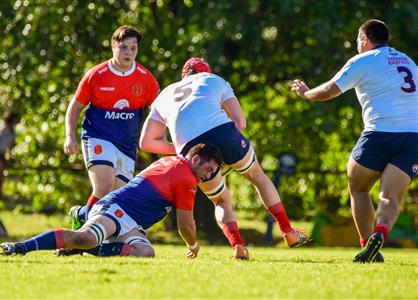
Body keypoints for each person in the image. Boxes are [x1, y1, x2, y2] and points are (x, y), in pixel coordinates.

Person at [139, 57, 310, 259]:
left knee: (221, 200)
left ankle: (238, 245)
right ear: (206, 72)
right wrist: (227, 148)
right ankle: (288, 231)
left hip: (189, 147)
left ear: (183, 76)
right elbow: (240, 122)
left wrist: (180, 148)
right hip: (222, 131)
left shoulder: (165, 94)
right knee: (258, 177)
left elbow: (146, 143)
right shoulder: (214, 80)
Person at [291, 19, 418, 263]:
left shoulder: (364, 59)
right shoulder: (408, 62)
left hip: (380, 132)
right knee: (390, 197)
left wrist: (305, 93)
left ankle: (366, 244)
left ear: (364, 40)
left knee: (358, 186)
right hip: (413, 137)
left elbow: (331, 89)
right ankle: (380, 233)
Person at [0, 143, 223, 258]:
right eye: (208, 169)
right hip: (116, 209)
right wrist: (193, 245)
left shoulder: (173, 161)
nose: (208, 175)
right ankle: (20, 247)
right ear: (195, 160)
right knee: (86, 238)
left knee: (146, 253)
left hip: (132, 223)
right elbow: (185, 224)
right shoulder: (186, 178)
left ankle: (79, 244)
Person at [64, 25, 159, 228]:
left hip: (126, 145)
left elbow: (161, 111)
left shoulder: (145, 78)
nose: (128, 52)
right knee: (104, 186)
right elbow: (75, 107)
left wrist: (163, 139)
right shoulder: (96, 75)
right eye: (124, 47)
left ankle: (81, 215)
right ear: (113, 46)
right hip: (98, 136)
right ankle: (81, 234)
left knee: (116, 199)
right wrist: (69, 136)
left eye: (133, 48)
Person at [0, 112, 21, 197]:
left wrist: (9, 158)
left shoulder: (12, 132)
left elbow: (9, 147)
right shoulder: (4, 128)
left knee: (2, 171)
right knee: (0, 167)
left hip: (2, 153)